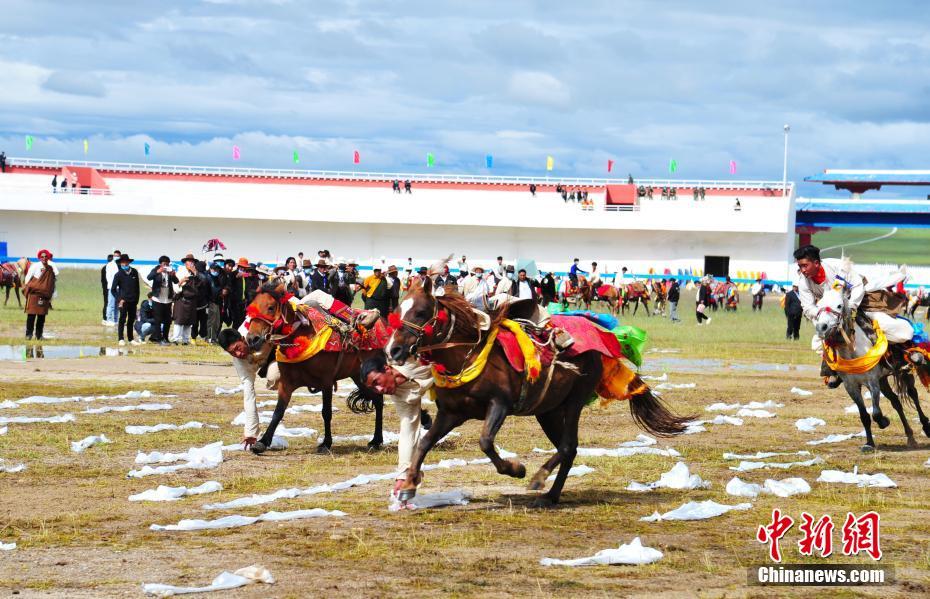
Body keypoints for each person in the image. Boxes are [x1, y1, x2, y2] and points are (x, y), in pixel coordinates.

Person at [794, 244, 913, 387]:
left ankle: (904, 355)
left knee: (887, 325)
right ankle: (836, 370)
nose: (802, 270)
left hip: (857, 301)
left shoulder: (838, 267)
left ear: (816, 263)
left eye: (805, 266)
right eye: (800, 266)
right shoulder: (803, 282)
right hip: (830, 312)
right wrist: (822, 314)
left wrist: (851, 307)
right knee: (819, 341)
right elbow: (808, 307)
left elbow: (857, 286)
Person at [361, 354, 433, 502]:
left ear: (387, 369)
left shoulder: (409, 357)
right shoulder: (399, 395)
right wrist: (403, 476)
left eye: (377, 382)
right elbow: (408, 431)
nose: (379, 390)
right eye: (373, 388)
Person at [218, 328, 279, 449]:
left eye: (238, 348)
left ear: (242, 339)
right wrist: (251, 432)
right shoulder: (240, 362)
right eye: (232, 353)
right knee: (274, 377)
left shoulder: (256, 328)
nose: (238, 354)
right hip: (272, 362)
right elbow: (248, 395)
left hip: (283, 346)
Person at [23, 249, 58, 340]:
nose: (44, 258)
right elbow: (27, 278)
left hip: (44, 295)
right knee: (31, 315)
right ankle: (28, 335)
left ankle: (39, 335)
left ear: (48, 257)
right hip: (34, 294)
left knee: (41, 317)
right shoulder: (35, 266)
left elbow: (52, 281)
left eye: (46, 256)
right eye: (42, 257)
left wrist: (50, 293)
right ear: (39, 257)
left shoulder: (50, 268)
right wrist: (28, 289)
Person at [111, 253, 141, 345]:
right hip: (123, 301)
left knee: (131, 320)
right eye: (122, 262)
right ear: (120, 263)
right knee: (122, 319)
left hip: (133, 301)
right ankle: (121, 339)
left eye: (126, 262)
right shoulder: (118, 274)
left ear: (128, 262)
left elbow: (137, 287)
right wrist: (119, 299)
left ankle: (131, 339)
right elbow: (113, 290)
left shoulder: (134, 272)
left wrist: (136, 300)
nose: (124, 264)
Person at [170, 253, 200, 345]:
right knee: (179, 321)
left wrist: (195, 273)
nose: (191, 263)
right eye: (189, 262)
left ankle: (186, 340)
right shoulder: (180, 272)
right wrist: (181, 281)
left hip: (192, 301)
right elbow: (175, 288)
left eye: (192, 262)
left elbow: (201, 283)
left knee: (188, 321)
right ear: (185, 263)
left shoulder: (196, 273)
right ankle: (175, 339)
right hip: (181, 299)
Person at [147, 255, 177, 345]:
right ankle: (158, 339)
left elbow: (176, 281)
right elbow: (149, 277)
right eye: (164, 264)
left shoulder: (169, 271)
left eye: (167, 264)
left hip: (167, 299)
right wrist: (157, 272)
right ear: (160, 264)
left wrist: (173, 275)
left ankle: (165, 338)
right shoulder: (156, 269)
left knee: (168, 320)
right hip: (157, 299)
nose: (166, 266)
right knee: (158, 320)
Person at [104, 249, 122, 326]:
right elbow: (108, 277)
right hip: (112, 287)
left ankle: (115, 320)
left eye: (117, 256)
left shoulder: (121, 264)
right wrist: (113, 286)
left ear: (120, 256)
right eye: (115, 256)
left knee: (117, 305)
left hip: (120, 288)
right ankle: (109, 319)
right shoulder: (110, 265)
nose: (116, 257)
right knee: (111, 304)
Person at [100, 254, 113, 322]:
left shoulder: (104, 268)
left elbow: (102, 280)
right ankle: (107, 318)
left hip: (105, 289)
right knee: (109, 303)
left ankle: (105, 318)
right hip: (109, 288)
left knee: (106, 303)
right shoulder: (110, 268)